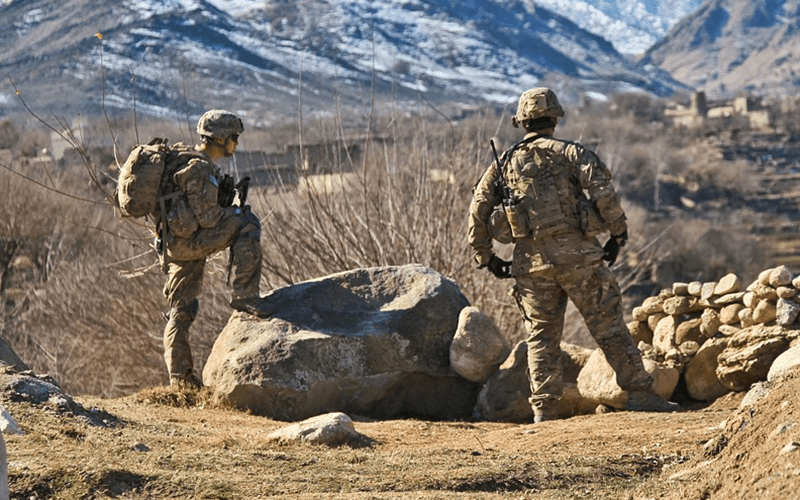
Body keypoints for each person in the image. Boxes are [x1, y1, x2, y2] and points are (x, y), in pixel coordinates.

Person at [468, 88, 678, 422]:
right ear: (554, 118)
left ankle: (545, 409)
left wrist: (486, 256)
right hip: (581, 260)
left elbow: (478, 208)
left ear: (521, 122)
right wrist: (617, 233)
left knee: (541, 337)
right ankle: (641, 394)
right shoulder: (571, 153)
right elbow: (603, 192)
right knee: (609, 328)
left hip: (531, 266)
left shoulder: (504, 163)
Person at [157, 109, 274, 389]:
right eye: (233, 137)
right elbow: (209, 218)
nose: (236, 143)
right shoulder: (200, 168)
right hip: (190, 243)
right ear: (220, 138)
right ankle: (245, 295)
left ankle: (181, 379)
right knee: (248, 222)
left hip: (175, 243)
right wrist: (232, 211)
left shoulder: (186, 160)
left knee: (182, 309)